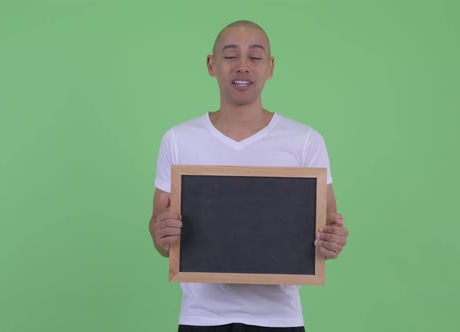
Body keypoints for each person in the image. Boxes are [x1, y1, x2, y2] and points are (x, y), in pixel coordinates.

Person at [149, 20, 349, 332]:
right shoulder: (178, 139)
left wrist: (331, 241)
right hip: (201, 317)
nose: (243, 66)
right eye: (230, 57)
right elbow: (161, 237)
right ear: (211, 65)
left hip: (279, 319)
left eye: (255, 58)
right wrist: (161, 233)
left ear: (270, 67)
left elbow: (325, 232)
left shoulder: (305, 141)